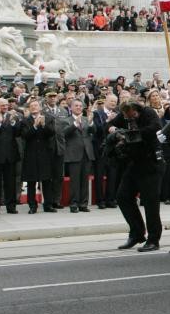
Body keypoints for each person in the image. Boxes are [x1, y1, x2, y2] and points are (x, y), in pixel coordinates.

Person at [108, 100, 163, 251]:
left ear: (137, 110)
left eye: (132, 116)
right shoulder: (124, 115)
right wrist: (114, 129)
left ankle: (153, 239)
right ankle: (137, 232)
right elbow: (110, 125)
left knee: (150, 202)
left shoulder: (148, 113)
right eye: (127, 117)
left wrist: (132, 133)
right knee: (123, 196)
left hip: (151, 161)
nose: (130, 119)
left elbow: (156, 128)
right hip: (134, 162)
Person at [59, 99, 95, 212]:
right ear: (71, 108)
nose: (79, 107)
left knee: (85, 180)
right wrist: (75, 124)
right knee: (75, 181)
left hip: (87, 153)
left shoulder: (86, 119)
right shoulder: (66, 120)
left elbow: (94, 131)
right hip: (74, 154)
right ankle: (74, 204)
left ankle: (83, 204)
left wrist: (90, 123)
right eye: (76, 106)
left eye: (80, 106)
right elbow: (64, 133)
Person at [21, 98, 56, 213]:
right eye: (32, 106)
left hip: (45, 154)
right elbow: (25, 136)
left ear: (40, 107)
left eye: (36, 105)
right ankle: (32, 205)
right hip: (31, 154)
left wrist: (44, 124)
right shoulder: (25, 121)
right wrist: (35, 126)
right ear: (29, 108)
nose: (34, 107)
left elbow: (51, 133)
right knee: (31, 182)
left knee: (46, 180)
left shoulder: (49, 118)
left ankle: (48, 205)